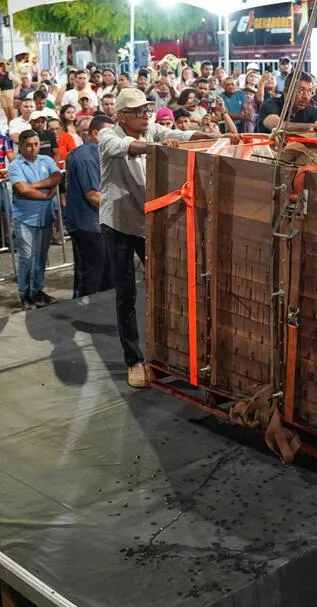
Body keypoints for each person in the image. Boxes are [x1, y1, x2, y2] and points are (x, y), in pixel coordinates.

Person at [100, 88, 210, 388]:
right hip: (119, 224)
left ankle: (167, 353)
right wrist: (160, 148)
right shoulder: (107, 136)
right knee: (126, 295)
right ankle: (134, 359)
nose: (145, 116)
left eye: (147, 111)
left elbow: (182, 136)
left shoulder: (152, 129)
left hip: (148, 220)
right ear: (121, 115)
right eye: (138, 112)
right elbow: (131, 148)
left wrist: (215, 137)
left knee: (164, 285)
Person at [8, 130, 62, 309]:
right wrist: (46, 196)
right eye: (29, 145)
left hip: (45, 217)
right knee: (27, 257)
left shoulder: (46, 160)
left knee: (40, 256)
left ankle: (37, 290)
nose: (33, 148)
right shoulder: (16, 165)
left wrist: (36, 185)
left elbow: (57, 176)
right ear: (21, 146)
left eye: (36, 144)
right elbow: (23, 189)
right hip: (24, 218)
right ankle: (24, 293)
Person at [64, 115, 114, 299]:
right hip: (89, 225)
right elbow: (93, 195)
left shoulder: (98, 154)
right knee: (93, 275)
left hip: (98, 224)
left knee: (105, 275)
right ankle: (85, 312)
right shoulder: (86, 156)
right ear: (95, 133)